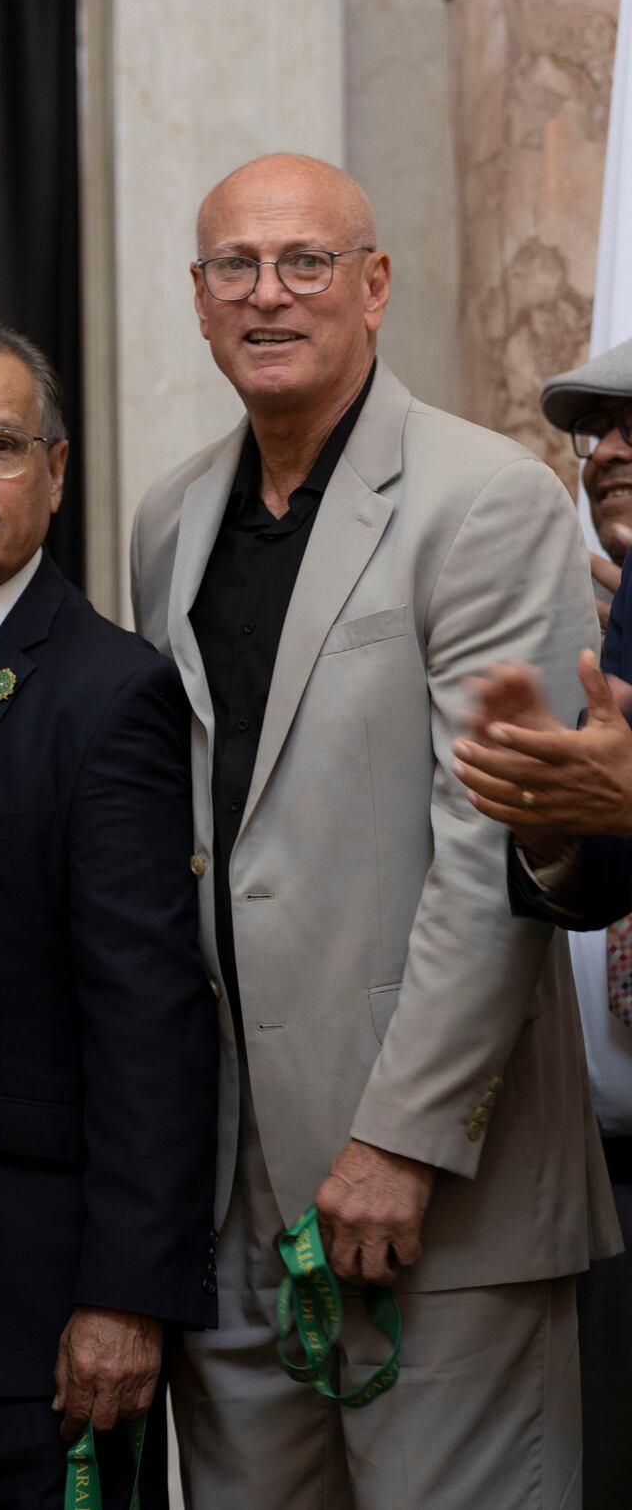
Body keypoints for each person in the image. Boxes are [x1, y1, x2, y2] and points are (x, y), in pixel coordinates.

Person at [129, 153, 614, 1509]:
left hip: (437, 1195)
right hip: (230, 1201)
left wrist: (401, 1138)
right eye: (237, 265)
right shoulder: (170, 517)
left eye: (307, 262)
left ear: (376, 284)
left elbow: (489, 847)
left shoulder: (486, 500)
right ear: (199, 298)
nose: (268, 293)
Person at [0, 318, 217, 1510]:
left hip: (34, 1310)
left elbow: (147, 1015)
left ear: (55, 474)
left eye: (0, 445)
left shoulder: (109, 690)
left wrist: (125, 1295)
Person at [447, 338, 632, 1505]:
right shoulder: (608, 629)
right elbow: (594, 884)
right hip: (605, 1174)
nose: (609, 453)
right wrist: (545, 823)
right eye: (598, 430)